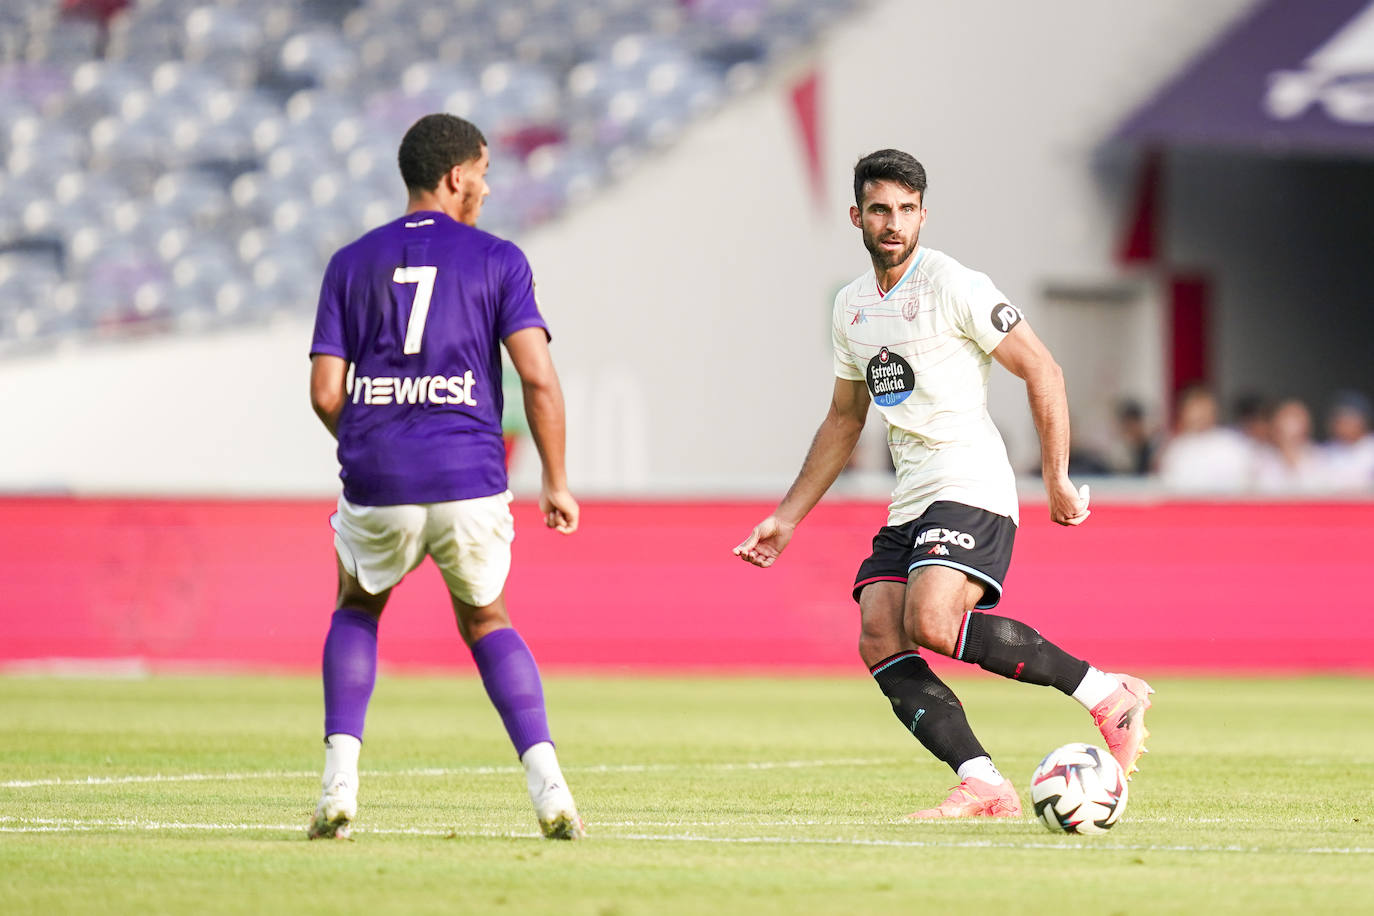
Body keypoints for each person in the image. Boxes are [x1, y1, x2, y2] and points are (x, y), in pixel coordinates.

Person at [733, 149, 1152, 819]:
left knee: (931, 620)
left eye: (905, 209)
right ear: (856, 217)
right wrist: (787, 517)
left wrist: (1058, 480)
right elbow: (845, 418)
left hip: (970, 477)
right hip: (913, 492)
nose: (893, 222)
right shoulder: (851, 308)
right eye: (879, 210)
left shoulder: (956, 284)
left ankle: (1105, 692)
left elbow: (1043, 370)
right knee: (878, 633)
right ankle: (984, 783)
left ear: (923, 215)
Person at [306, 113, 583, 840]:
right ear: (455, 176)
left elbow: (326, 393)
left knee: (358, 607)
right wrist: (555, 480)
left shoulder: (350, 262)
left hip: (379, 477)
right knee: (487, 618)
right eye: (484, 172)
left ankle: (339, 784)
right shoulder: (499, 259)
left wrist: (372, 440)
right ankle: (550, 789)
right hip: (469, 473)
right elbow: (538, 380)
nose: (487, 187)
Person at [1156, 385, 1256, 492]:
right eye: (1193, 409)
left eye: (1203, 408)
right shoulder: (1177, 447)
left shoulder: (1232, 444)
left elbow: (1246, 484)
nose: (1198, 415)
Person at [1319, 390, 1374, 490]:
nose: (1342, 425)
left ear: (1363, 421)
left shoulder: (1370, 447)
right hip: (1336, 503)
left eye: (1348, 419)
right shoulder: (1324, 451)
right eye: (1339, 420)